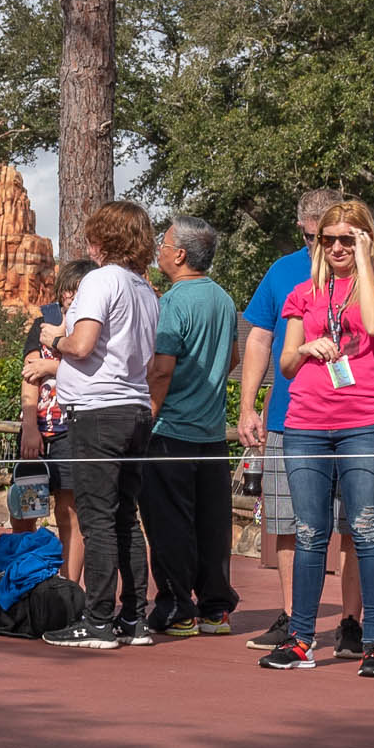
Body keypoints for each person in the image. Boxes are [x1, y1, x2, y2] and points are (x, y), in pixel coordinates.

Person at [237, 188, 374, 655]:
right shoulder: (302, 291)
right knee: (310, 531)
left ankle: (373, 640)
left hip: (366, 422)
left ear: (367, 241)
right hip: (307, 423)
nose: (336, 248)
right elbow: (286, 362)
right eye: (329, 239)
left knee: (367, 528)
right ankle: (300, 637)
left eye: (348, 240)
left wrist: (367, 264)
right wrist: (306, 349)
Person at [34, 203, 162, 649]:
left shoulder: (100, 280)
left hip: (97, 412)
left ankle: (100, 620)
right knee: (126, 516)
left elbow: (83, 344)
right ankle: (134, 619)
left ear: (102, 241)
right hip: (134, 409)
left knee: (98, 519)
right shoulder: (146, 289)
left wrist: (54, 339)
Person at [141, 217, 243, 637]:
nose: (158, 251)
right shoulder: (223, 298)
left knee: (169, 525)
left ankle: (178, 609)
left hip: (171, 432)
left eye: (163, 244)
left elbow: (161, 369)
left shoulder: (174, 302)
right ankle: (216, 609)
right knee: (212, 525)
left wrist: (147, 415)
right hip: (212, 434)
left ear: (180, 254)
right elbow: (233, 358)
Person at [20, 260, 93, 583]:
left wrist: (53, 369)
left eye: (77, 289)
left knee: (69, 511)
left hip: (72, 433)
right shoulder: (43, 324)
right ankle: (24, 578)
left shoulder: (93, 330)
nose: (69, 294)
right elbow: (29, 373)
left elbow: (96, 373)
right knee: (24, 507)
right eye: (66, 288)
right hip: (40, 431)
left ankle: (69, 586)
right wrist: (30, 427)